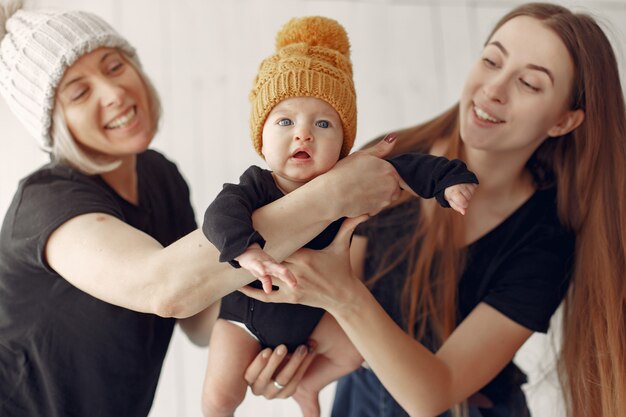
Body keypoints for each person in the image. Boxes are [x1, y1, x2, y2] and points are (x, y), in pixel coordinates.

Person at [0, 2, 406, 416]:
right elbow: (165, 290)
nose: (113, 93)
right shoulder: (43, 204)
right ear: (54, 124)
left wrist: (275, 333)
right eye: (80, 92)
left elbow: (200, 309)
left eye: (114, 66)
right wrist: (330, 194)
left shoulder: (158, 177)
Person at [239, 2, 626, 417]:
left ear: (564, 122)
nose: (493, 89)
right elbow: (326, 290)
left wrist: (346, 298)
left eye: (529, 84)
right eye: (491, 60)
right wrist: (286, 362)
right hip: (364, 398)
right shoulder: (387, 163)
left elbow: (434, 393)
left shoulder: (545, 241)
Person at [201, 16, 478, 417]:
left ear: (344, 143)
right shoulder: (256, 186)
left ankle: (308, 388)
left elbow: (408, 167)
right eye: (285, 121)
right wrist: (246, 251)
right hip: (247, 315)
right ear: (261, 137)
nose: (303, 134)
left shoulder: (349, 182)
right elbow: (218, 215)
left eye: (323, 123)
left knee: (352, 353)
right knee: (221, 394)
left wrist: (450, 182)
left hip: (314, 318)